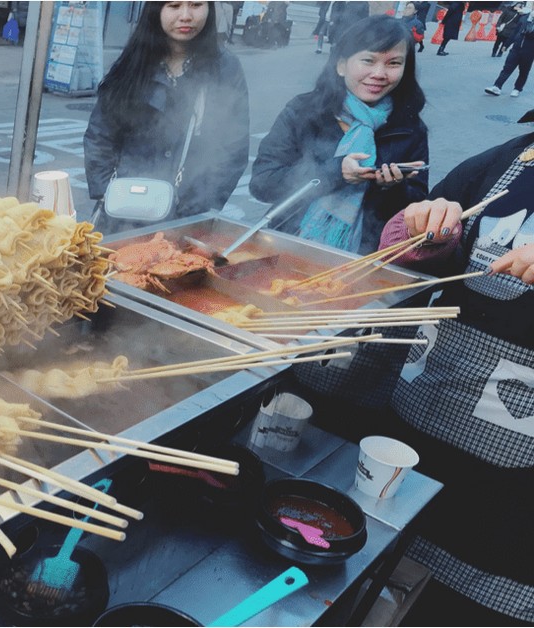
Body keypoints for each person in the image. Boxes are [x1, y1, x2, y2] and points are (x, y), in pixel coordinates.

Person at [374, 110, 534, 626]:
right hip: (423, 417)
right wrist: (425, 232)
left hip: (513, 487)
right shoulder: (512, 157)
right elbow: (411, 256)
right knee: (380, 570)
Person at [249, 15, 428, 254]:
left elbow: (415, 212)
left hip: (363, 258)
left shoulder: (409, 128)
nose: (379, 73)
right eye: (368, 60)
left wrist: (392, 188)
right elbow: (262, 183)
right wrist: (336, 172)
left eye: (393, 63)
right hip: (286, 244)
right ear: (341, 65)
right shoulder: (304, 112)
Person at [83, 1, 249, 234]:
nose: (186, 15)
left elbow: (233, 149)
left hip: (186, 218)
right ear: (156, 9)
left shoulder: (225, 68)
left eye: (196, 5)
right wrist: (107, 192)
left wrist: (196, 211)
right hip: (123, 213)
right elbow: (99, 136)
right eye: (174, 5)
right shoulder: (133, 62)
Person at [485, 5, 534, 97]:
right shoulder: (524, 17)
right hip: (516, 48)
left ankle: (517, 88)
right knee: (507, 68)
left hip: (529, 51)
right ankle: (497, 86)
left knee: (523, 71)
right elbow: (515, 32)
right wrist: (506, 45)